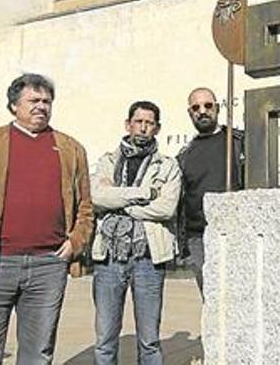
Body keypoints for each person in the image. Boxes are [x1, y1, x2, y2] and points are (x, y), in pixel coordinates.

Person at [0, 73, 94, 364]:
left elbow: (85, 206)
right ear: (14, 105)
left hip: (48, 266)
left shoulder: (71, 149)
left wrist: (76, 241)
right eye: (33, 100)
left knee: (39, 353)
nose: (41, 106)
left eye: (47, 101)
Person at [90, 100, 182, 365]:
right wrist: (142, 194)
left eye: (149, 123)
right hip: (109, 257)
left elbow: (166, 208)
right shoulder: (108, 161)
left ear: (157, 128)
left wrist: (124, 207)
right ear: (128, 124)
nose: (143, 127)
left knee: (150, 340)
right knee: (105, 339)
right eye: (138, 121)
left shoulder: (167, 165)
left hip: (148, 258)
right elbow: (97, 196)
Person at [177, 87, 243, 294]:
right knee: (213, 301)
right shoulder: (185, 155)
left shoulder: (238, 142)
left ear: (218, 108)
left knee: (239, 298)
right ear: (190, 113)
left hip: (236, 234)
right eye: (196, 107)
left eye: (208, 105)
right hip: (199, 238)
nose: (202, 111)